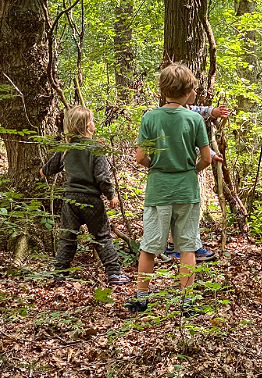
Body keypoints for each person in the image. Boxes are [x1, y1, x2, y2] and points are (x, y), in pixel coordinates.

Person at [129, 64, 211, 315]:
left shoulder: (150, 118)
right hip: (186, 189)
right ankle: (187, 303)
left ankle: (141, 298)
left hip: (158, 190)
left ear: (163, 90)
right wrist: (190, 169)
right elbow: (206, 158)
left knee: (150, 246)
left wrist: (159, 165)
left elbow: (140, 157)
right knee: (187, 247)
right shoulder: (195, 119)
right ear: (188, 92)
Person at [40, 106, 130, 286]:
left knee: (67, 238)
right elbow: (102, 177)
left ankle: (60, 275)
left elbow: (46, 171)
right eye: (92, 121)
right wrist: (111, 195)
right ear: (87, 126)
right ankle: (114, 274)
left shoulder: (66, 148)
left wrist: (41, 171)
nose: (94, 123)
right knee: (102, 236)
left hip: (70, 200)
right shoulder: (96, 147)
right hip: (91, 201)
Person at [162, 102, 231, 263]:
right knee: (178, 208)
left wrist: (213, 112)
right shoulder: (171, 116)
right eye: (191, 89)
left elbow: (200, 111)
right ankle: (175, 247)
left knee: (188, 209)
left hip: (184, 173)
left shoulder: (187, 111)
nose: (194, 93)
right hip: (175, 172)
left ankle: (191, 246)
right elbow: (190, 143)